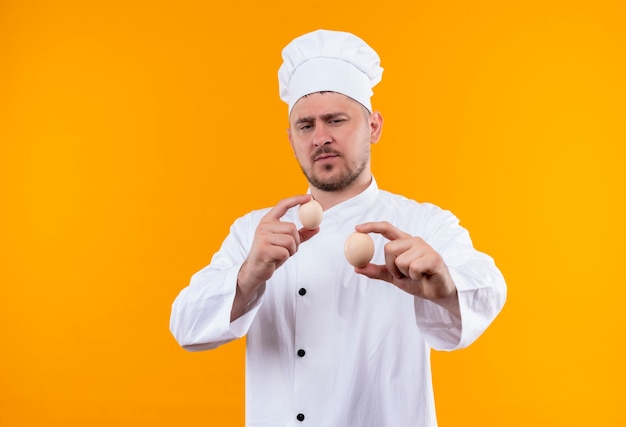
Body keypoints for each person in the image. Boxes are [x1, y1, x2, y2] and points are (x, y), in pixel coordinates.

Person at [170, 29, 507, 426]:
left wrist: (446, 286)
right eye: (305, 126)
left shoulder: (422, 224)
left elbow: (489, 288)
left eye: (336, 120)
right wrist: (248, 277)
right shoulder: (256, 233)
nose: (321, 138)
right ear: (291, 139)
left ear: (374, 127)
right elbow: (186, 327)